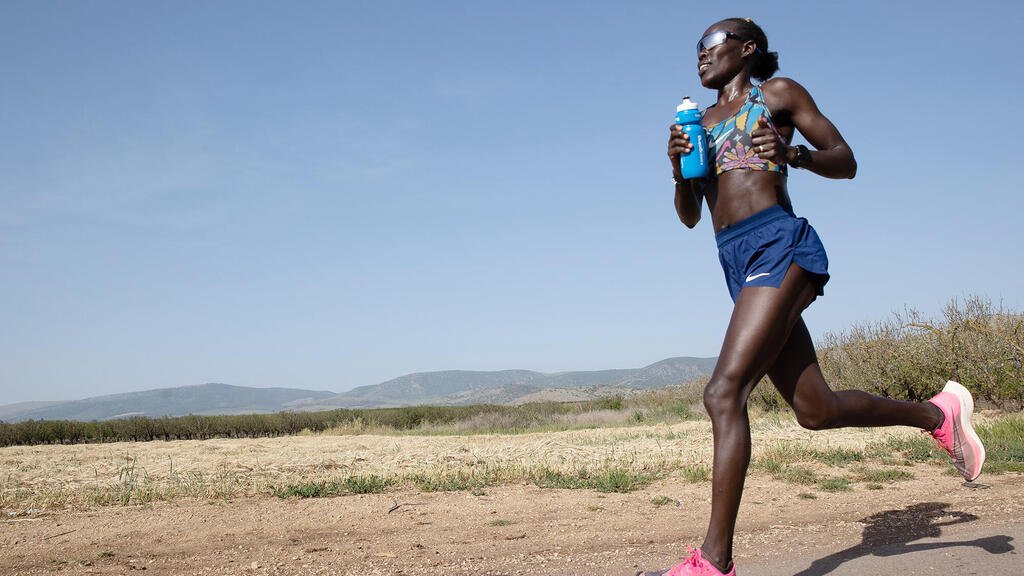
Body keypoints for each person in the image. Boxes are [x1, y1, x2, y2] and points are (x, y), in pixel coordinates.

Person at [641, 17, 986, 576]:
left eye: (711, 43)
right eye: (695, 48)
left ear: (747, 48)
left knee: (722, 393)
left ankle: (713, 562)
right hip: (736, 259)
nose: (700, 55)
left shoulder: (776, 95)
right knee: (814, 409)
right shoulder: (699, 123)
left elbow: (845, 160)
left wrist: (792, 153)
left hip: (781, 246)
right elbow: (688, 217)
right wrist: (678, 169)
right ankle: (937, 414)